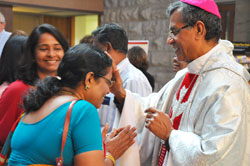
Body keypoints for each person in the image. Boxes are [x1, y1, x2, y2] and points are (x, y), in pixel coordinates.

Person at [110, 0, 250, 165]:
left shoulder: (228, 84)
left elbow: (217, 155)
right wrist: (121, 93)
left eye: (174, 31)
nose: (169, 40)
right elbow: (154, 105)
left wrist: (170, 135)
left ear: (199, 29)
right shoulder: (185, 74)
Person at [8, 43, 137, 166]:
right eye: (108, 82)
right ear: (89, 79)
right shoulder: (83, 110)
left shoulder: (40, 101)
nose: (109, 90)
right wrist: (110, 154)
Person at [0, 23, 69, 151]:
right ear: (32, 54)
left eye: (57, 48)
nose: (51, 54)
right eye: (44, 49)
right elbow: (3, 137)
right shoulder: (17, 90)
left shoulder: (67, 88)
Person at [92, 23, 152, 166]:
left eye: (96, 49)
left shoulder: (133, 79)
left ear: (107, 47)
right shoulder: (106, 75)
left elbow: (137, 123)